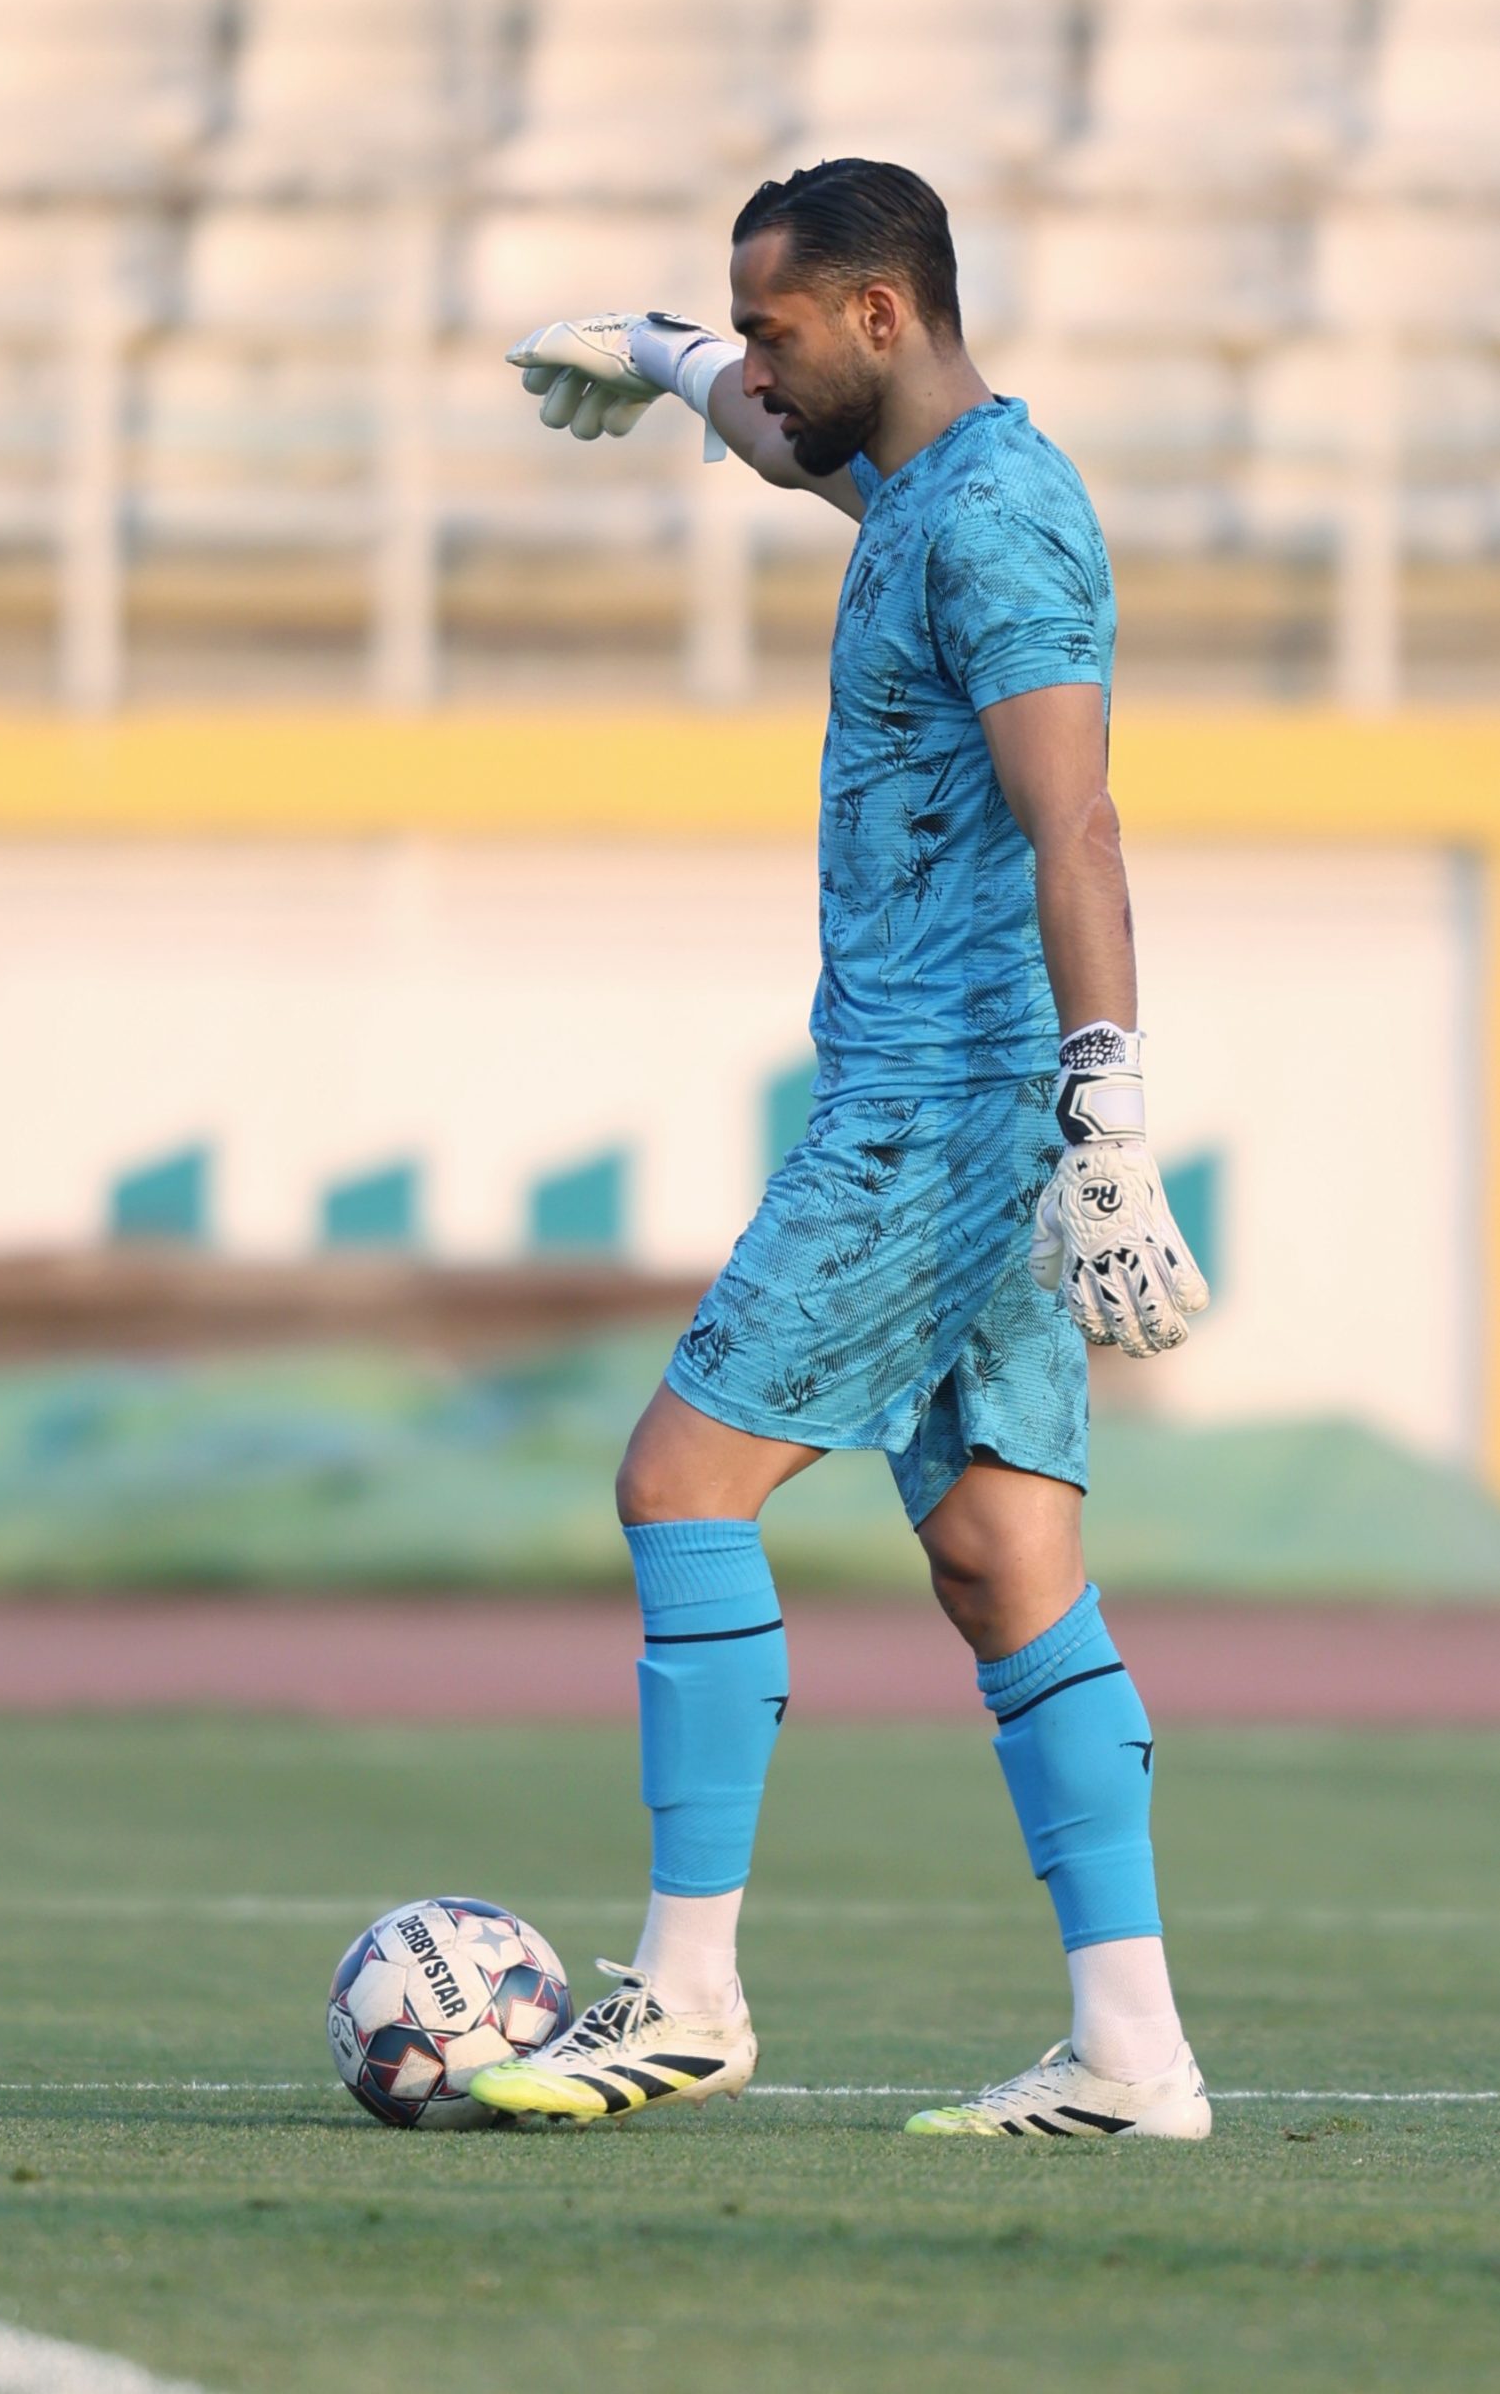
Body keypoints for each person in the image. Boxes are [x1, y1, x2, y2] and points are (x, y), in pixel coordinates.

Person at [468, 159, 1211, 2142]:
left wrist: (1106, 1117)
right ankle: (1132, 2051)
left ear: (881, 316)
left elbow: (1078, 823)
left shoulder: (1001, 522)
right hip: (957, 1099)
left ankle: (686, 1993)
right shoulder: (922, 486)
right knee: (997, 1556)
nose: (761, 369)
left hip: (940, 1106)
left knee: (678, 1478)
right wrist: (658, 355)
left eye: (775, 329)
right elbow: (781, 442)